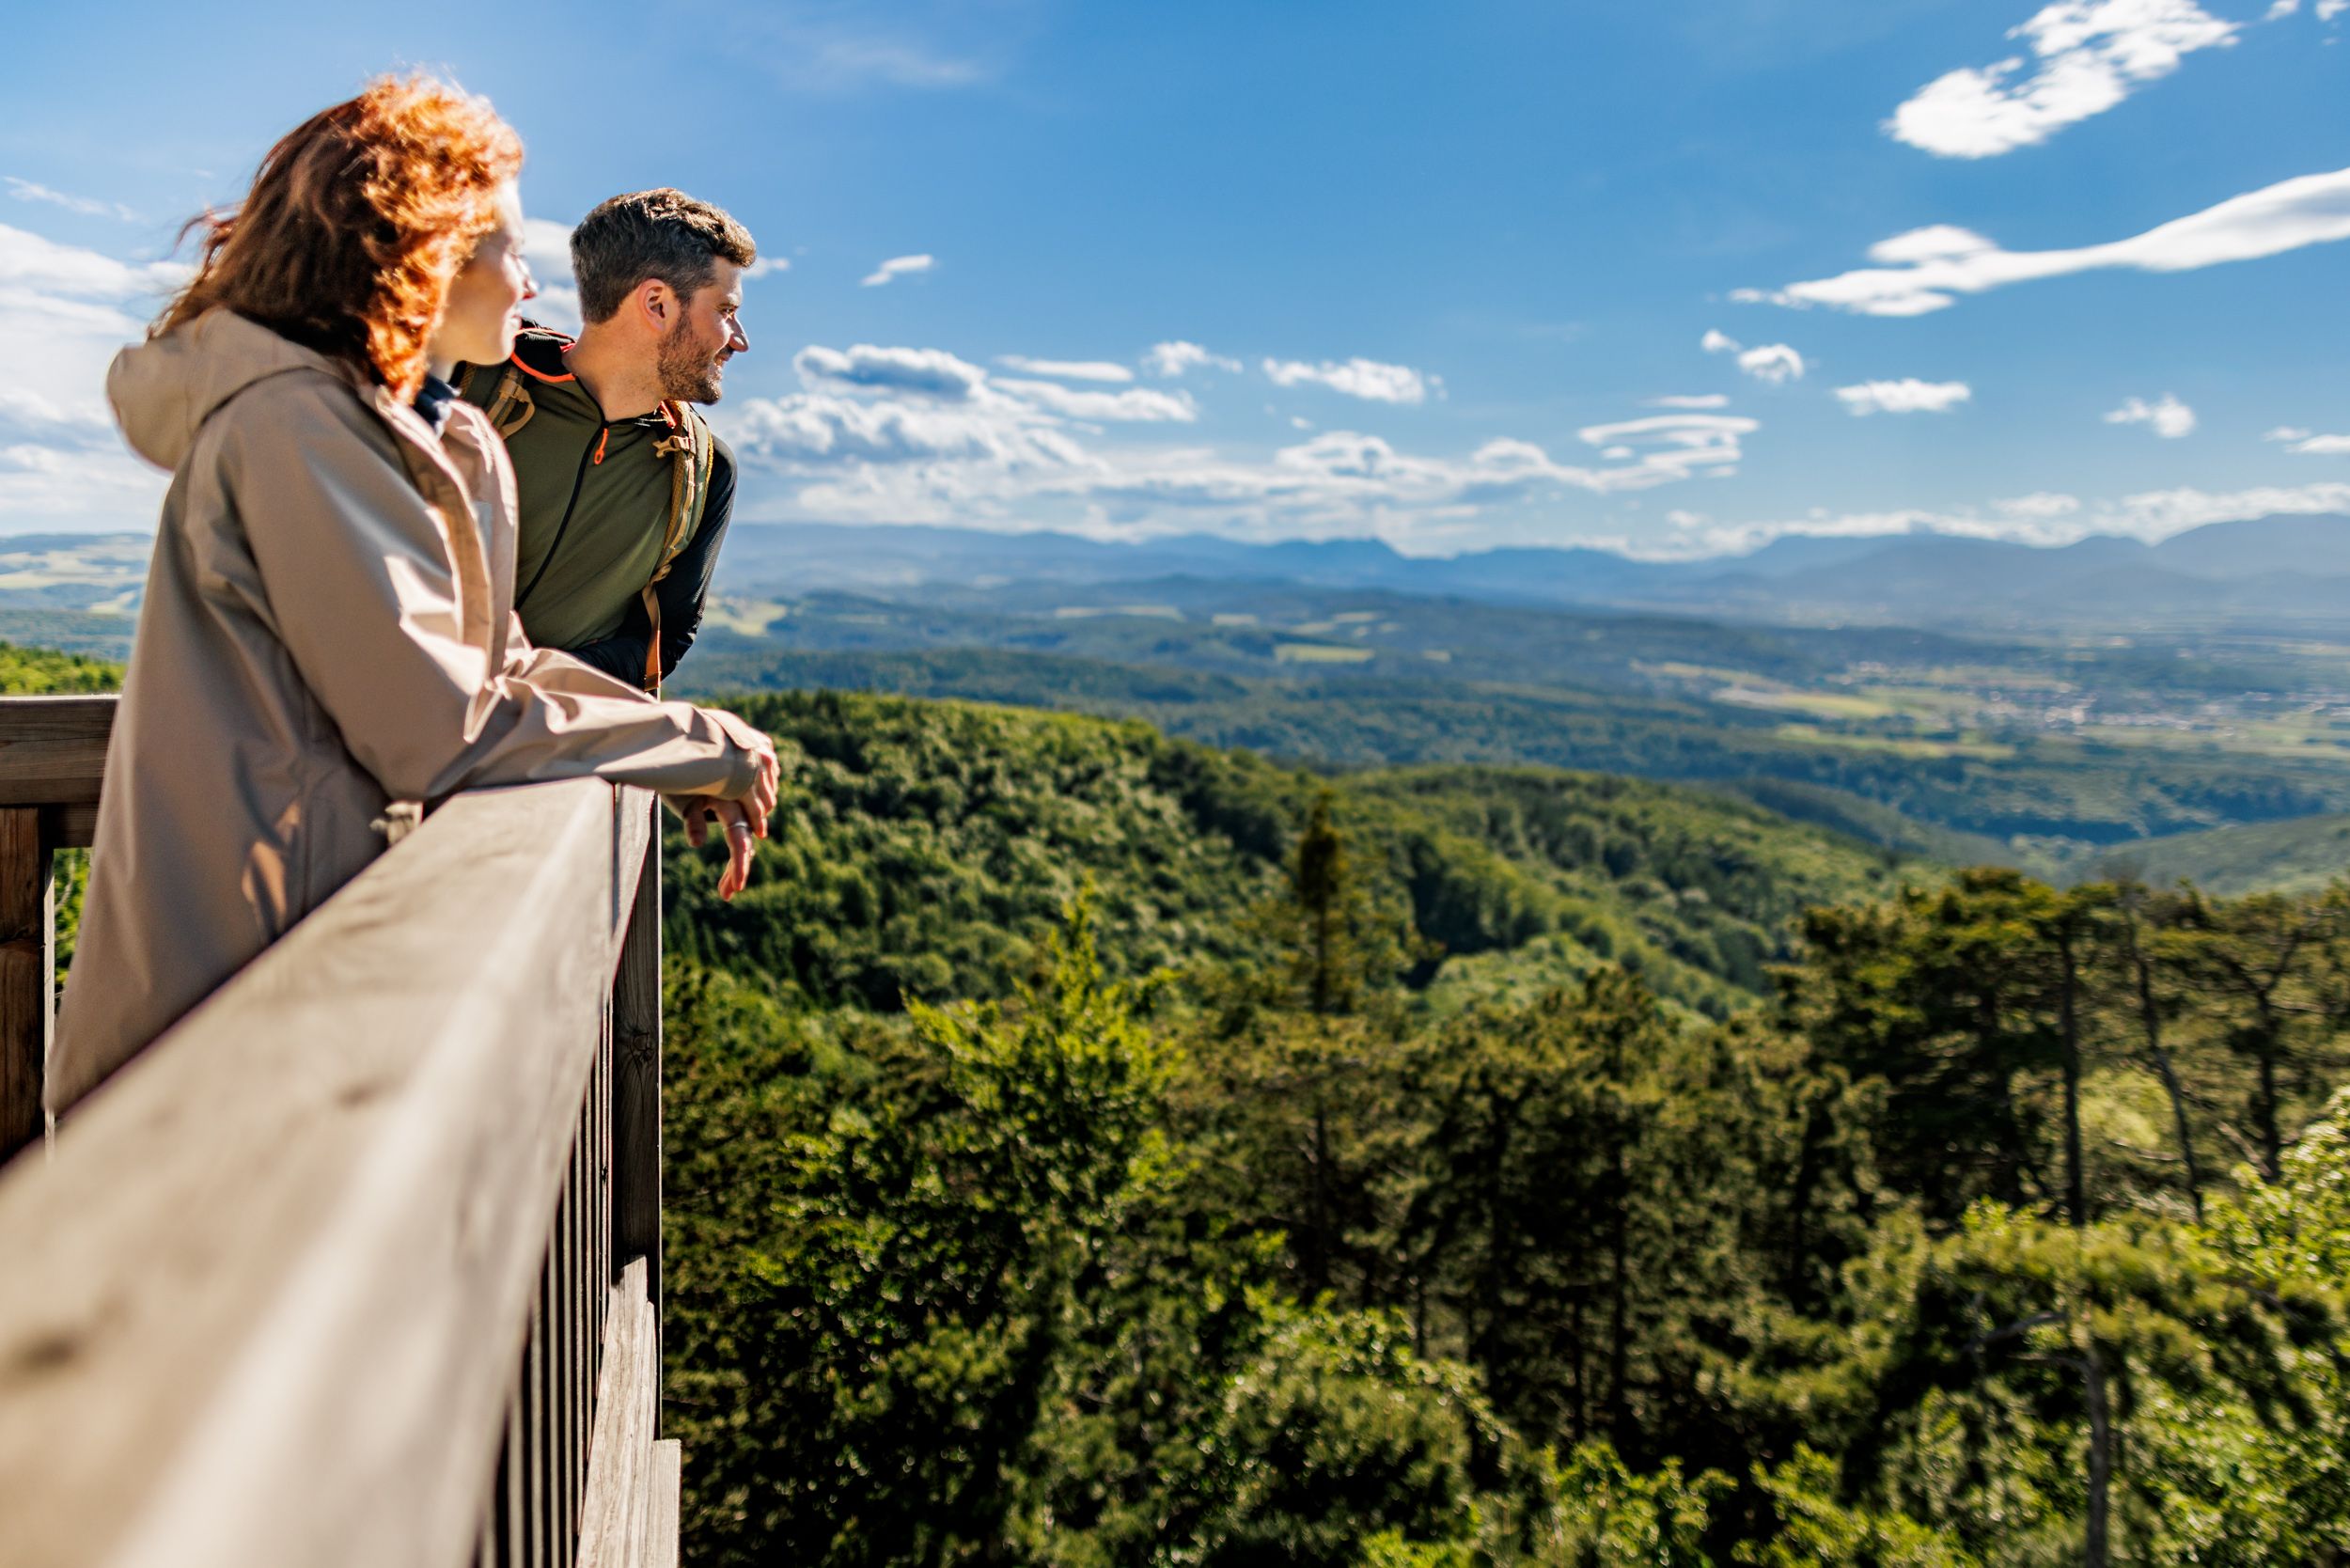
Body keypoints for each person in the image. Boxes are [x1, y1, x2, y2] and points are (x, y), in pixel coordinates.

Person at [49, 76, 780, 1116]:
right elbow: (436, 728)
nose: (529, 290)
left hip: (336, 952)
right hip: (224, 997)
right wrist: (695, 744)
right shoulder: (295, 428)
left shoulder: (439, 433)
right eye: (510, 251)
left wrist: (689, 740)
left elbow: (506, 660)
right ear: (424, 248)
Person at [455, 188, 752, 691]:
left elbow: (663, 641)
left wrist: (521, 684)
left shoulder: (704, 469)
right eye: (725, 309)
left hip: (541, 752)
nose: (738, 338)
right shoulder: (472, 380)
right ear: (656, 303)